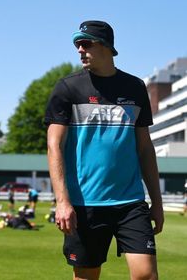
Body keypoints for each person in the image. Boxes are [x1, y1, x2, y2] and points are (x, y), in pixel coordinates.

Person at [45, 20, 164, 280]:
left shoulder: (134, 88)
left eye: (86, 43)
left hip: (130, 203)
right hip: (84, 204)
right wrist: (63, 201)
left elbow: (145, 148)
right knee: (87, 276)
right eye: (77, 45)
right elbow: (54, 145)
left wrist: (157, 201)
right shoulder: (67, 88)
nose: (80, 50)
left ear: (107, 47)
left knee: (146, 274)